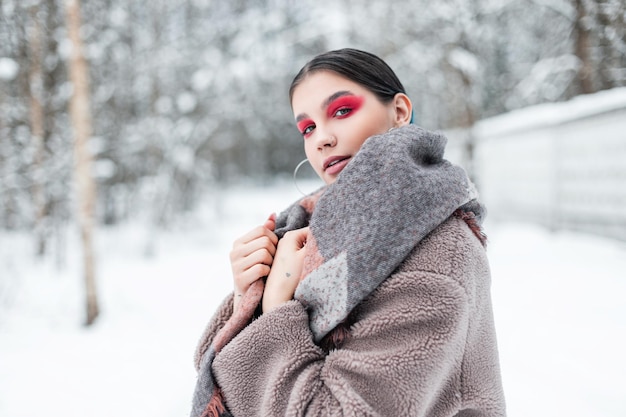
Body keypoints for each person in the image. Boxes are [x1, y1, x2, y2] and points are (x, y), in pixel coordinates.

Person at [190, 48, 506, 417]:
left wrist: (276, 307)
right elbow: (216, 374)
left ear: (400, 111)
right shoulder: (310, 231)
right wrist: (250, 294)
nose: (321, 138)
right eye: (307, 128)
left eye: (341, 111)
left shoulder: (436, 251)